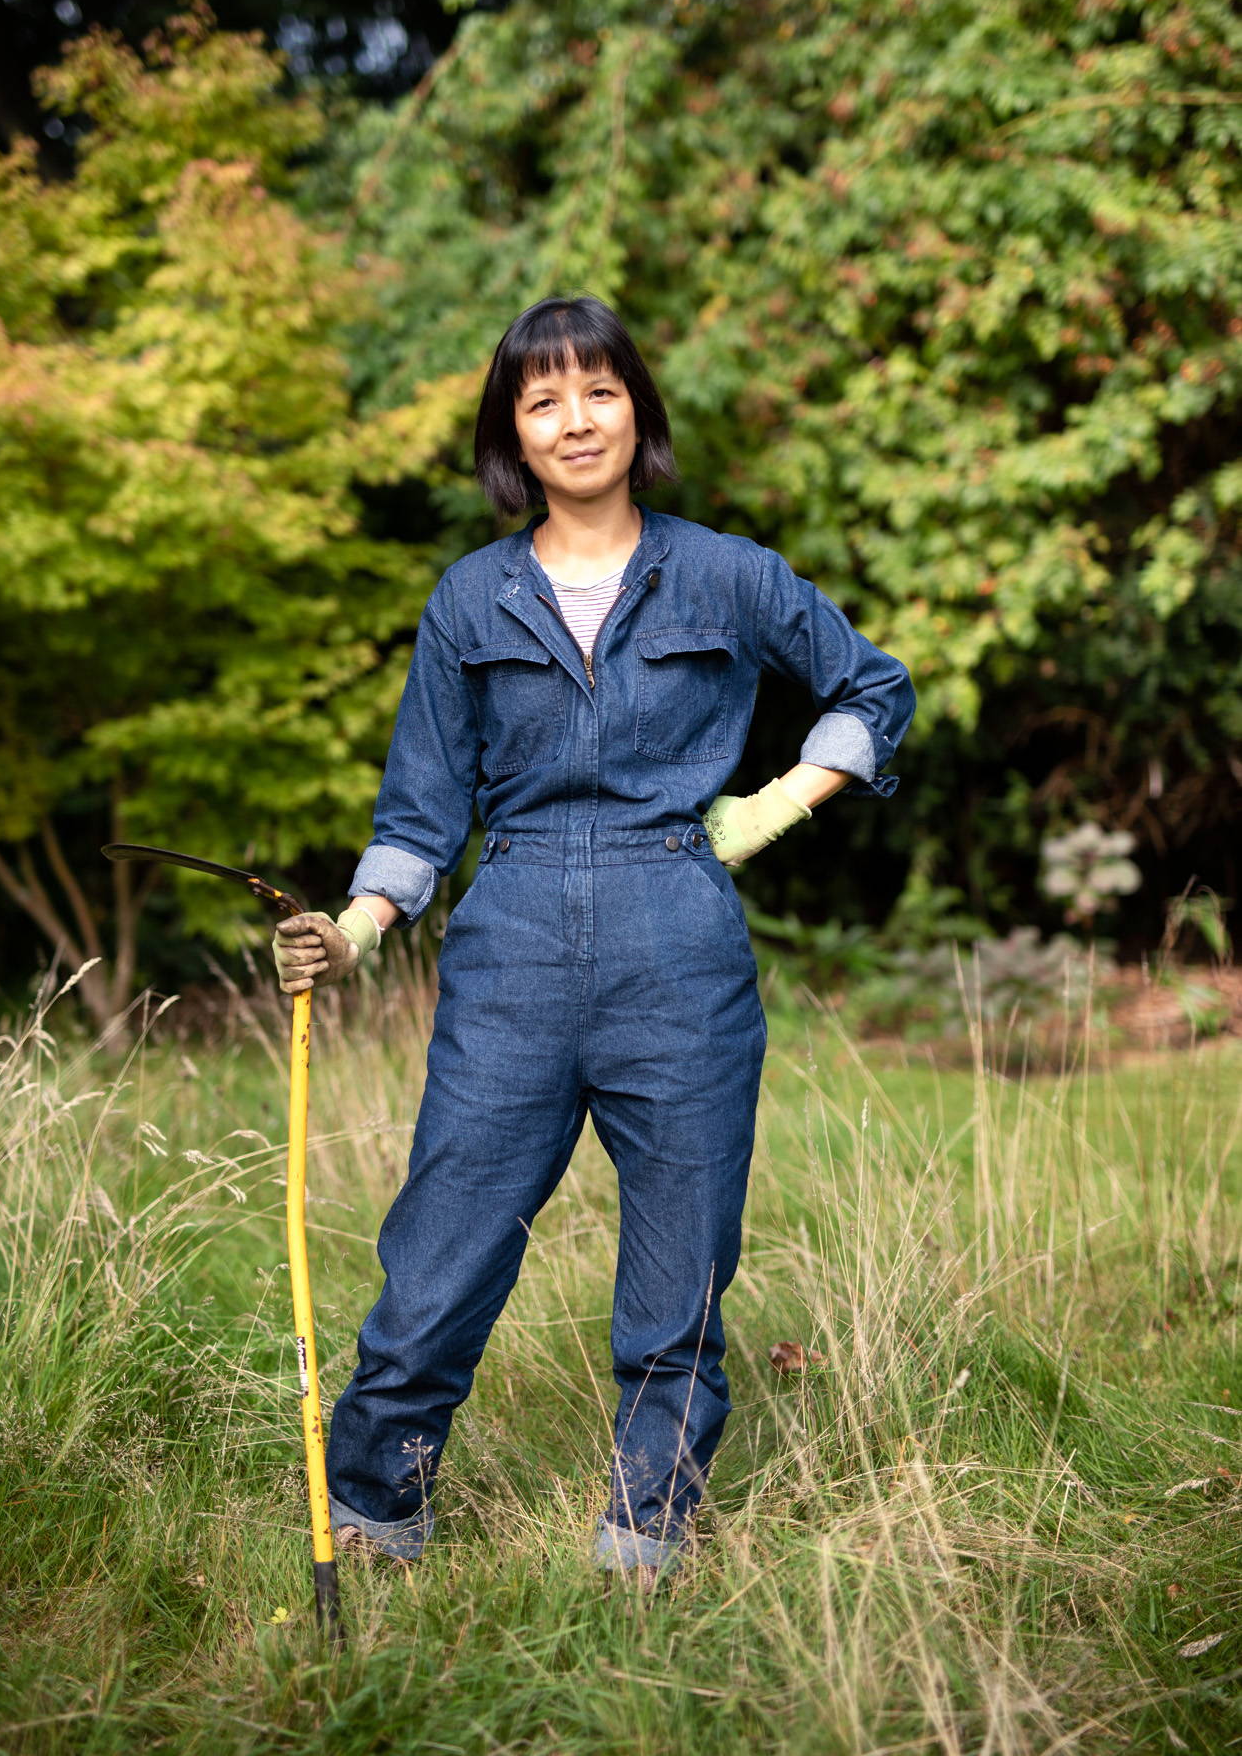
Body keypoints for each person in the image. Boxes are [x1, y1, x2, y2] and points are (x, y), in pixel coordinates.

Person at [273, 295, 914, 1586]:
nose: (576, 420)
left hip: (676, 933)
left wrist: (774, 805)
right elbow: (420, 807)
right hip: (507, 941)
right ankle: (376, 1511)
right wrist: (351, 933)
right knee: (440, 1252)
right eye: (542, 399)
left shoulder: (726, 573)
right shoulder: (470, 598)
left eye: (599, 391)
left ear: (637, 409)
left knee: (679, 1260)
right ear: (513, 430)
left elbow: (872, 687)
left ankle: (646, 1531)